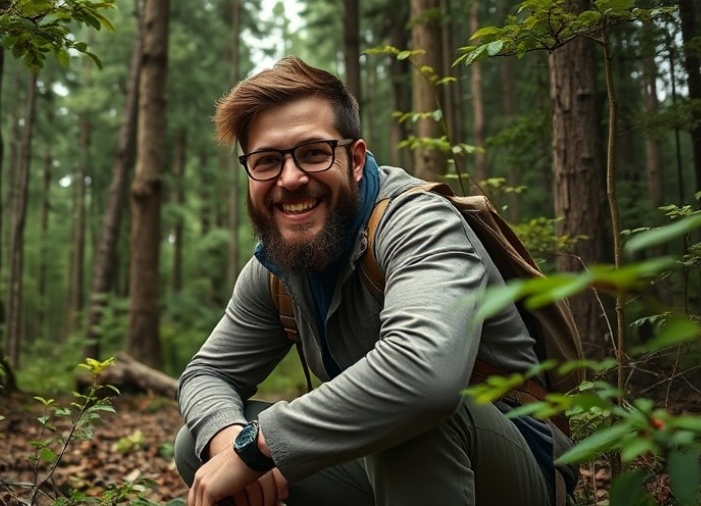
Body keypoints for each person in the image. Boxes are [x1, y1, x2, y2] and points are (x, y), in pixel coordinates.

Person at [173, 56, 570, 506]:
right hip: (393, 468)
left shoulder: (418, 223)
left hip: (517, 469)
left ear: (356, 159)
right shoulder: (275, 269)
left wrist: (257, 447)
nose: (291, 178)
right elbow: (207, 373)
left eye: (313, 153)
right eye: (266, 161)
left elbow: (423, 377)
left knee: (406, 421)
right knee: (201, 441)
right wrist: (229, 442)